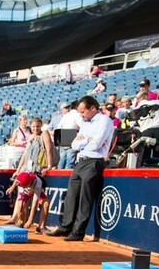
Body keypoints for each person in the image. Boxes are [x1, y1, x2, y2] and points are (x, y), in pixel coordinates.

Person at [48, 96, 114, 241]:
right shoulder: (84, 122)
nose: (81, 115)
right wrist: (86, 140)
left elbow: (96, 144)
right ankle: (65, 227)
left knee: (85, 198)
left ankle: (78, 232)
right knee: (71, 196)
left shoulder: (105, 121)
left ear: (93, 108)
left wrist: (83, 141)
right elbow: (74, 145)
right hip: (80, 161)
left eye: (83, 112)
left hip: (94, 161)